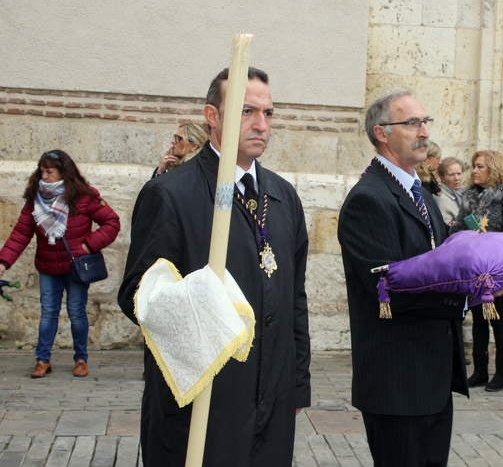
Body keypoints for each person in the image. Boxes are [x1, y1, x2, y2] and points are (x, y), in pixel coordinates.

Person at [118, 67, 310, 466]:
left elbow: (295, 299)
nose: (261, 124)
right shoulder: (171, 194)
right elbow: (137, 294)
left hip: (271, 402)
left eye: (269, 113)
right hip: (204, 402)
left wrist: (296, 385)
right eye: (246, 111)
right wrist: (196, 300)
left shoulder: (282, 196)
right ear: (212, 115)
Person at [338, 90, 469, 466]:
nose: (424, 131)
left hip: (432, 374)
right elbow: (389, 289)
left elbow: (438, 266)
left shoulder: (419, 193)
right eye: (413, 123)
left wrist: (483, 281)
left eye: (426, 122)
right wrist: (461, 295)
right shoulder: (369, 199)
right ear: (381, 133)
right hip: (397, 380)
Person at [0, 150, 120, 379]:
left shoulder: (83, 197)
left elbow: (112, 222)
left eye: (49, 171)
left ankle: (81, 359)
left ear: (63, 172)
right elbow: (20, 234)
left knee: (76, 313)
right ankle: (42, 360)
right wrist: (3, 262)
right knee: (47, 314)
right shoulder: (35, 200)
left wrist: (88, 245)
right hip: (48, 268)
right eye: (42, 171)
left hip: (76, 267)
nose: (44, 176)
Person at [452, 150, 503, 392]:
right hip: (475, 265)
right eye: (473, 166)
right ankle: (480, 371)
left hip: (499, 265)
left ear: (493, 169)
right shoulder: (470, 195)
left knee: (497, 316)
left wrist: (491, 237)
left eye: (480, 166)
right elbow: (459, 226)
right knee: (477, 317)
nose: (474, 170)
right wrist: (460, 231)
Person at [435, 156, 465, 228]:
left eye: (459, 173)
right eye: (451, 174)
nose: (456, 178)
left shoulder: (466, 193)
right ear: (442, 177)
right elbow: (447, 229)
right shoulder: (440, 198)